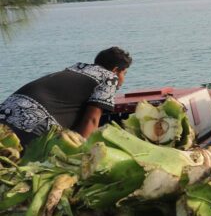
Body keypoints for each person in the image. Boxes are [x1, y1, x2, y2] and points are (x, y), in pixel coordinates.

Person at [0, 47, 132, 145]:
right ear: (115, 70)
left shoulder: (77, 68)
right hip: (32, 120)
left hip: (7, 110)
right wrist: (80, 155)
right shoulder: (109, 78)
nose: (123, 79)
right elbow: (91, 120)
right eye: (124, 74)